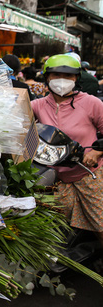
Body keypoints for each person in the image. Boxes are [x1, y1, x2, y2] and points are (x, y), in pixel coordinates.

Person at [31, 54, 103, 251]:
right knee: (54, 225)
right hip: (56, 179)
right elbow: (20, 126)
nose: (62, 80)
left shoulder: (91, 103)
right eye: (56, 75)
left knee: (100, 223)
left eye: (68, 76)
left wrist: (96, 152)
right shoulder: (37, 105)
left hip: (89, 174)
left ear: (76, 79)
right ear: (47, 77)